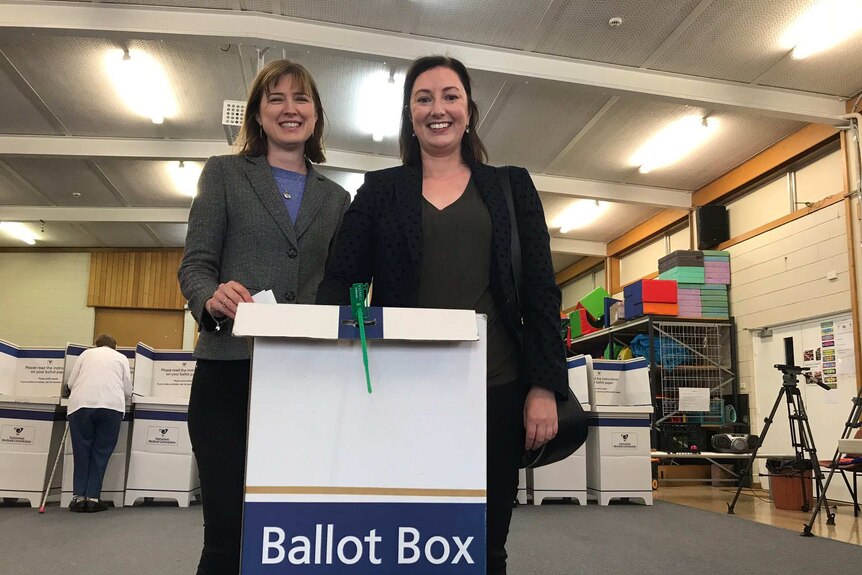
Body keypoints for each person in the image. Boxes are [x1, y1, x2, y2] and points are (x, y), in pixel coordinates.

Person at [316, 55, 567, 575]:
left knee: (486, 541)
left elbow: (541, 291)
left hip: (497, 385)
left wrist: (544, 387)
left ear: (468, 110)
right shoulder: (382, 190)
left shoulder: (510, 186)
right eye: (423, 98)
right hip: (405, 389)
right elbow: (341, 280)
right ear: (410, 115)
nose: (438, 109)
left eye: (450, 96)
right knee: (408, 533)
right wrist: (340, 359)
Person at [178, 60, 351, 575]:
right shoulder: (225, 173)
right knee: (226, 539)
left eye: (301, 99)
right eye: (275, 98)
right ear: (257, 112)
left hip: (303, 379)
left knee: (292, 534)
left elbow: (337, 287)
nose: (289, 109)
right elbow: (196, 264)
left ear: (317, 116)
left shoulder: (337, 198)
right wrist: (211, 299)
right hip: (228, 371)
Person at [66, 334, 132, 513]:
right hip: (111, 407)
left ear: (96, 345)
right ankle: (93, 498)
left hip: (81, 406)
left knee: (81, 452)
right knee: (101, 453)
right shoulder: (121, 358)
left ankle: (79, 498)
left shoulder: (85, 354)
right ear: (115, 346)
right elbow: (127, 390)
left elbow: (71, 383)